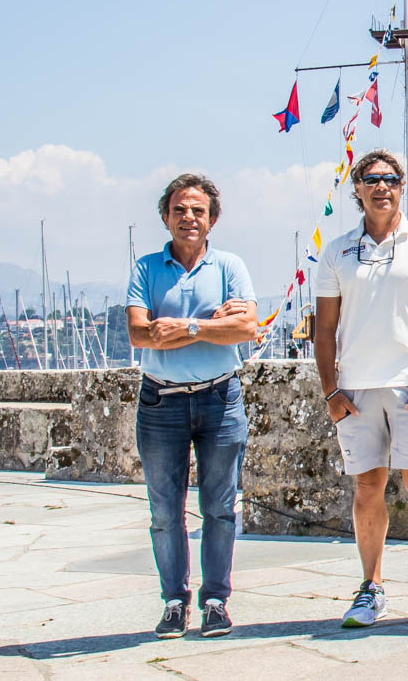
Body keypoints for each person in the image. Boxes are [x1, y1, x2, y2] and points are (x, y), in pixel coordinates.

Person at [313, 150, 408, 628]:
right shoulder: (336, 250)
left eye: (391, 179)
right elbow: (323, 328)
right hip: (356, 391)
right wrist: (330, 391)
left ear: (402, 186)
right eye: (371, 179)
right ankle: (371, 586)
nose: (382, 187)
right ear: (356, 188)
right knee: (366, 488)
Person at [126, 173, 258, 639]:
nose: (189, 218)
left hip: (220, 398)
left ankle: (216, 600)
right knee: (165, 511)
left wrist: (186, 328)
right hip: (161, 402)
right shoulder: (146, 268)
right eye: (180, 209)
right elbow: (139, 333)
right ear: (166, 217)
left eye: (198, 210)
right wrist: (210, 322)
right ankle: (174, 601)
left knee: (220, 507)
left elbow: (247, 329)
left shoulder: (230, 266)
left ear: (212, 219)